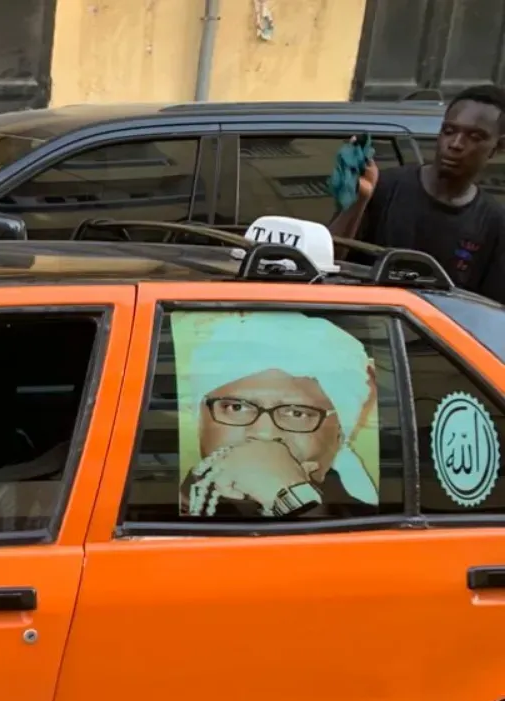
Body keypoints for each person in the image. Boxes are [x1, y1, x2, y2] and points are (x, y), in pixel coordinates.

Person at [176, 311, 380, 519]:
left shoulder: (374, 524)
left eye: (296, 413)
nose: (264, 434)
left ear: (339, 434)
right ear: (200, 420)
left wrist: (292, 499)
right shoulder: (153, 508)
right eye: (236, 408)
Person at [329, 85, 505, 303]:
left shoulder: (494, 222)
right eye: (449, 131)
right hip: (362, 330)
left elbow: (490, 311)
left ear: (498, 146)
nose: (456, 144)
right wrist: (358, 201)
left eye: (475, 137)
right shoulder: (383, 187)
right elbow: (328, 263)